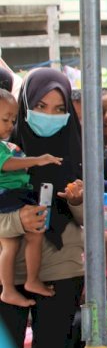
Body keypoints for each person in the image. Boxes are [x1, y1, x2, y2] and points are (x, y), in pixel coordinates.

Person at [0, 67, 84, 348]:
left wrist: (78, 201)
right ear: (24, 106)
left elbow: (94, 223)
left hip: (62, 270)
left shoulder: (80, 152)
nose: (50, 115)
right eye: (40, 106)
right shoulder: (6, 151)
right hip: (8, 271)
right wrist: (17, 220)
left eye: (59, 109)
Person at [0, 89, 62, 307]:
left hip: (12, 195)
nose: (10, 125)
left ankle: (11, 288)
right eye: (5, 119)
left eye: (13, 120)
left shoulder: (6, 145)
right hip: (9, 197)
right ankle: (29, 280)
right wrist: (37, 160)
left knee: (10, 245)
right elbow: (6, 164)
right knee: (34, 235)